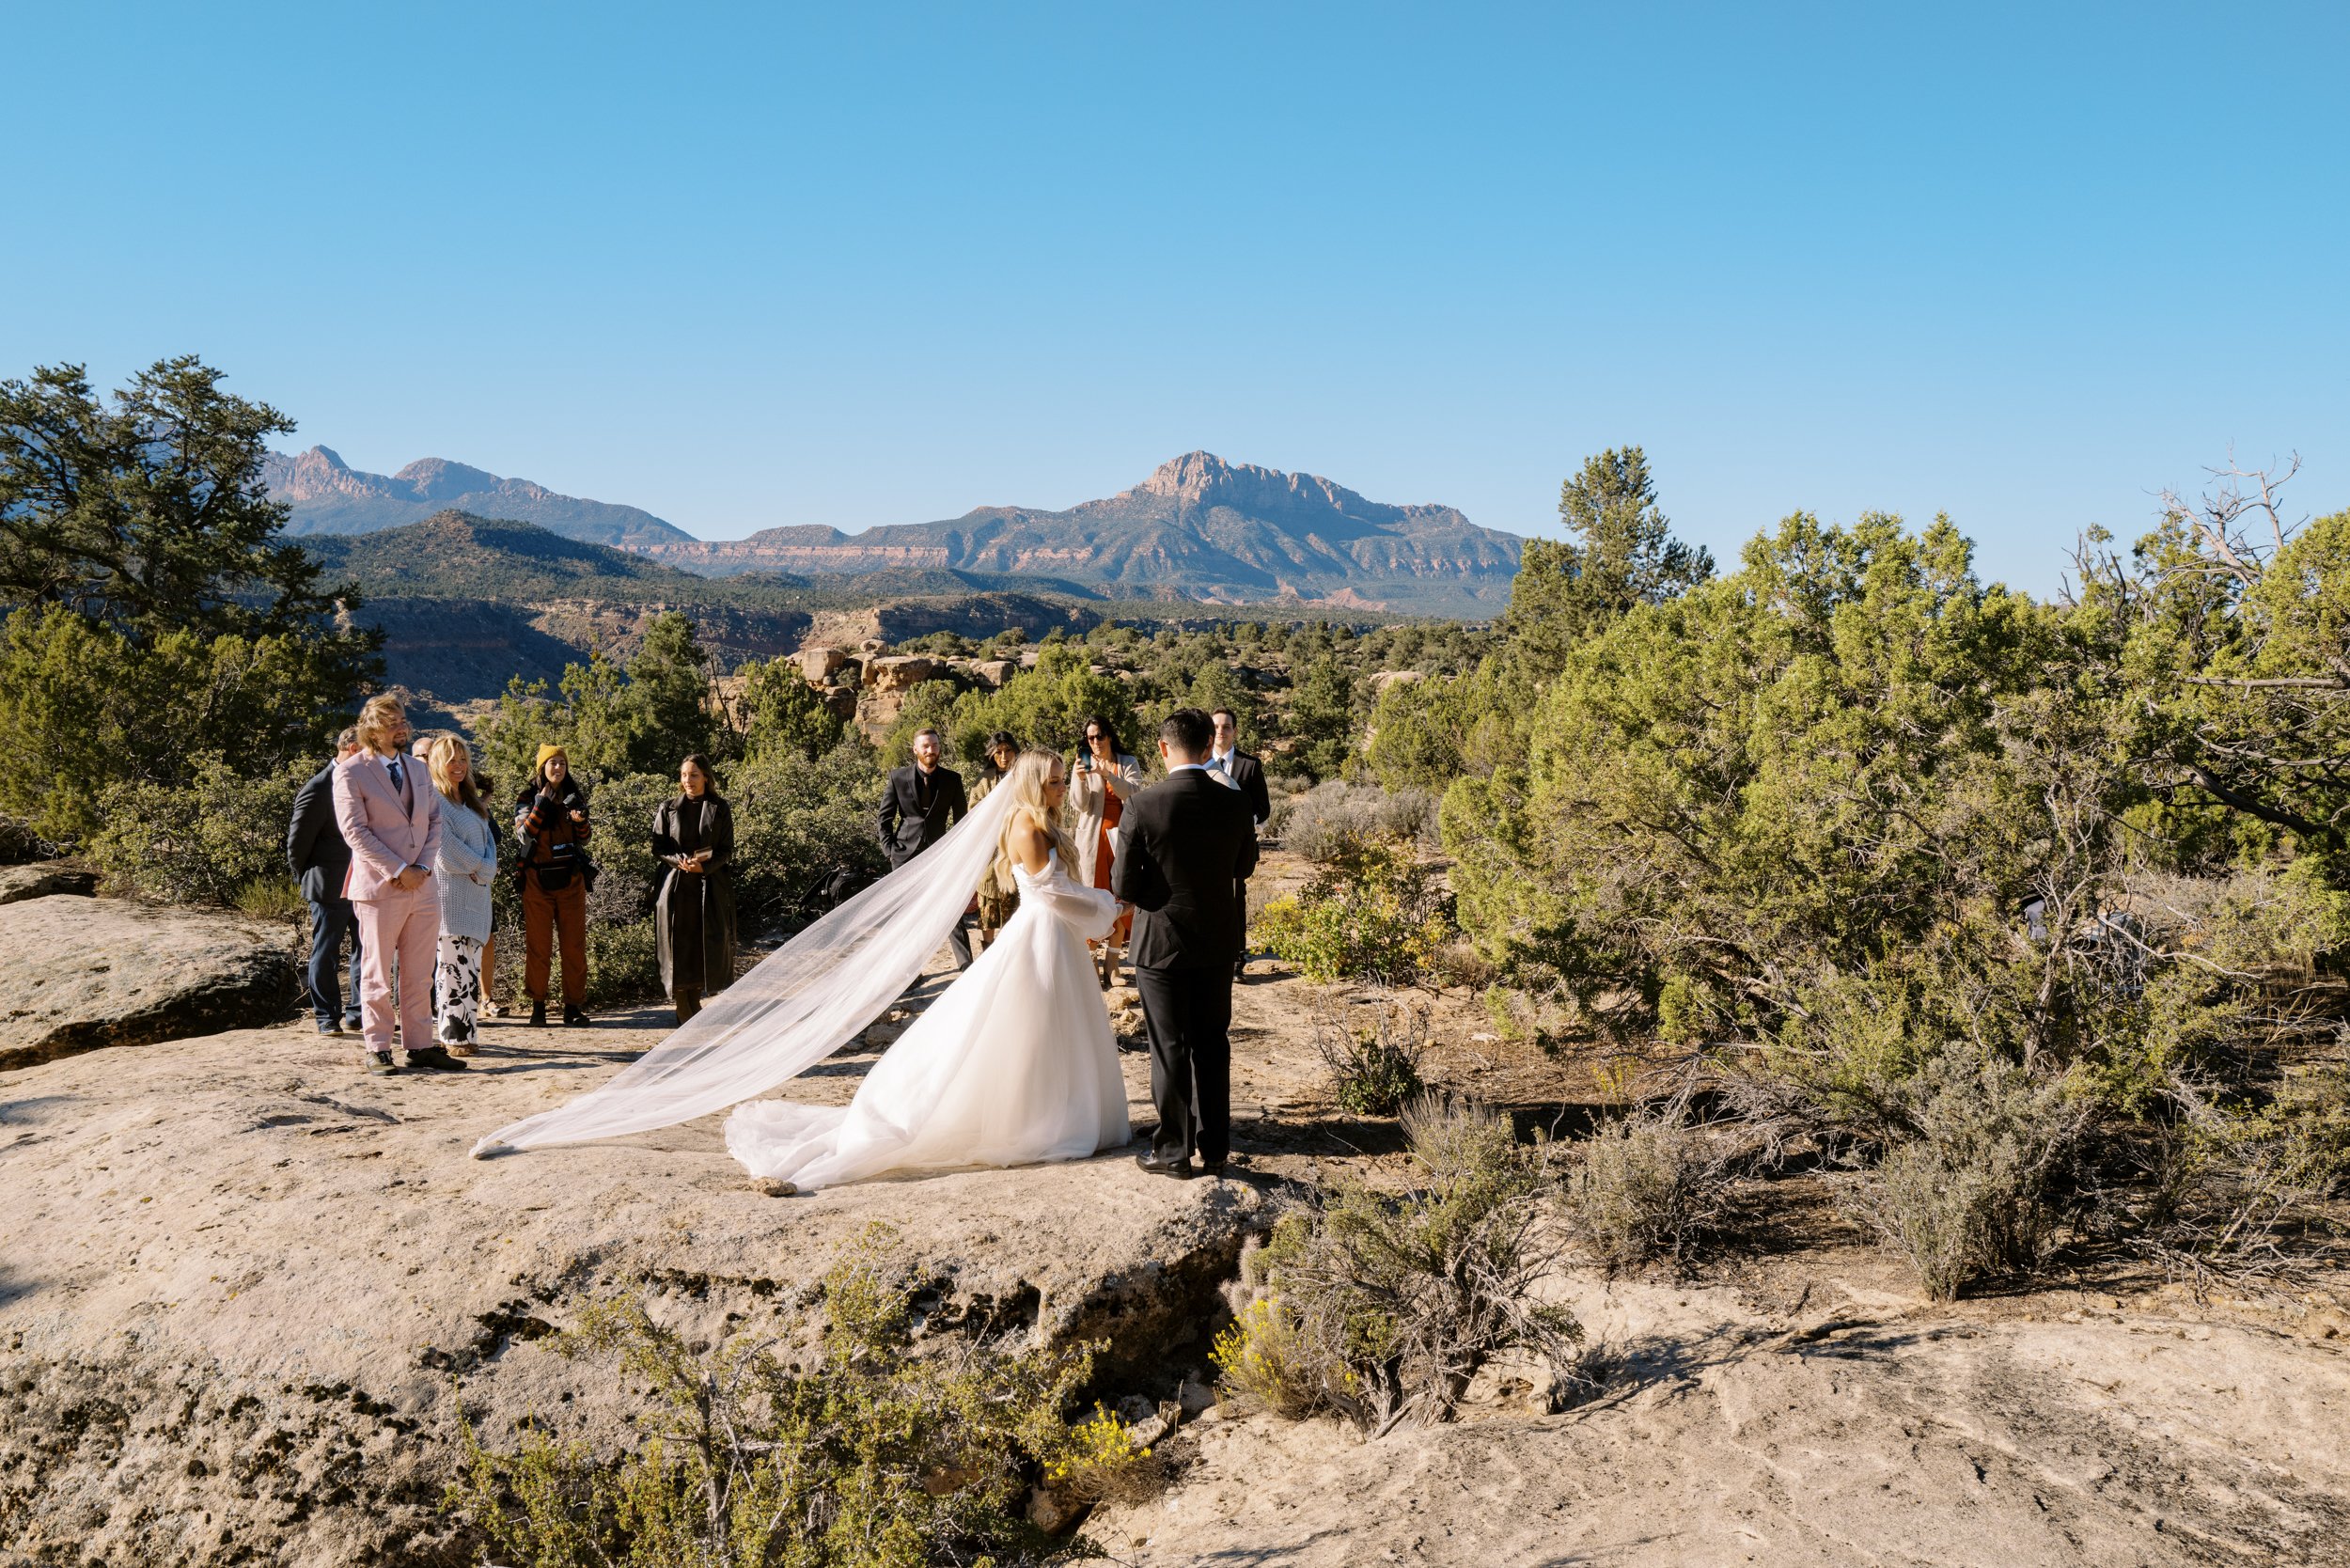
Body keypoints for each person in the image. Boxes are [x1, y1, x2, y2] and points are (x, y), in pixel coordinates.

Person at [720, 749, 1126, 1191]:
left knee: (1054, 1026)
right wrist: (1109, 909)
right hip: (1042, 932)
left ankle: (1058, 1110)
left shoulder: (1041, 820)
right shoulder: (1026, 825)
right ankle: (1039, 1119)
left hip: (1055, 934)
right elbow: (1052, 893)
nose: (1061, 788)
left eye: (1062, 779)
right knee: (1030, 1026)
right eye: (1053, 781)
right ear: (1030, 782)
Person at [1115, 708, 1260, 1179]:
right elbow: (1244, 868)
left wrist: (1161, 898)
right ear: (1206, 749)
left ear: (1163, 749)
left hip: (1161, 943)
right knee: (1213, 1045)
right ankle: (1216, 1149)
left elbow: (1123, 885)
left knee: (1170, 1046)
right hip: (1217, 940)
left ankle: (1173, 1151)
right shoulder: (1237, 804)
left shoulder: (1143, 805)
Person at [333, 695, 465, 1074]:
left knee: (419, 971)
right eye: (393, 722)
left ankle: (420, 1045)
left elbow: (434, 822)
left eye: (403, 720)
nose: (402, 727)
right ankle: (377, 1047)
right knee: (376, 972)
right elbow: (354, 831)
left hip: (423, 885)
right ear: (372, 729)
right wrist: (398, 869)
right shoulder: (351, 772)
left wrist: (422, 866)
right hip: (378, 888)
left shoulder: (419, 770)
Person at [286, 726, 366, 1036]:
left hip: (364, 883)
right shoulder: (318, 787)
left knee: (366, 950)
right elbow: (297, 843)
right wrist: (306, 877)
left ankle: (358, 1014)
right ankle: (326, 1018)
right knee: (326, 951)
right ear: (353, 748)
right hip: (327, 885)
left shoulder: (364, 782)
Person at [423, 735, 497, 1056]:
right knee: (452, 972)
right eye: (452, 760)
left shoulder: (471, 803)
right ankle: (452, 1039)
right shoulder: (436, 803)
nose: (458, 766)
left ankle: (467, 1036)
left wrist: (484, 869)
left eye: (463, 760)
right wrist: (482, 867)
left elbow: (490, 844)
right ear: (438, 764)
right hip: (451, 900)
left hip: (477, 898)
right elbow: (445, 853)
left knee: (470, 972)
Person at [653, 753, 737, 1025]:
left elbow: (726, 850)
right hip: (676, 886)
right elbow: (659, 847)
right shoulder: (668, 808)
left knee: (702, 943)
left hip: (708, 885)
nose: (688, 780)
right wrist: (680, 862)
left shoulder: (720, 808)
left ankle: (694, 1000)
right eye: (684, 775)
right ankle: (681, 1003)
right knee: (679, 943)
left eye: (694, 774)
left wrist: (705, 867)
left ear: (706, 777)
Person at [877, 727, 970, 965]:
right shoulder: (897, 778)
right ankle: (911, 971)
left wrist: (957, 854)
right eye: (926, 746)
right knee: (906, 916)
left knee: (952, 910)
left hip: (941, 855)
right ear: (915, 749)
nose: (931, 750)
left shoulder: (953, 779)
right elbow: (884, 818)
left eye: (935, 745)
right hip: (904, 856)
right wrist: (890, 851)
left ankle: (965, 965)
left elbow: (962, 821)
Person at [515, 744, 593, 1028]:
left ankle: (573, 1007)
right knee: (539, 946)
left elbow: (583, 838)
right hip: (537, 880)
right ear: (542, 767)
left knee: (574, 946)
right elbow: (524, 835)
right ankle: (539, 1006)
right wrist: (542, 805)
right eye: (552, 763)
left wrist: (581, 820)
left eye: (562, 762)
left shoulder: (574, 796)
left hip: (571, 880)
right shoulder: (526, 797)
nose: (558, 768)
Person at [1069, 713, 1143, 987]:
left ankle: (1113, 967)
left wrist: (1108, 774)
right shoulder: (1084, 762)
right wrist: (1078, 779)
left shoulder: (1127, 762)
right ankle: (1092, 965)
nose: (1096, 742)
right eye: (1091, 738)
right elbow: (1079, 804)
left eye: (1100, 735)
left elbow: (1133, 794)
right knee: (1092, 898)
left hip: (1121, 841)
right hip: (1091, 842)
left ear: (1109, 735)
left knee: (1120, 899)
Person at [1205, 706, 1272, 980]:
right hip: (1205, 848)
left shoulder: (1250, 765)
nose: (1221, 731)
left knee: (1235, 902)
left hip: (1237, 848)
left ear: (1235, 731)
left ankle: (1235, 961)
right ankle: (1208, 956)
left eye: (1226, 726)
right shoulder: (1200, 764)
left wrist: (1244, 826)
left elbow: (1263, 807)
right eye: (1217, 727)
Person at [968, 730, 1022, 951]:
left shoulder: (1023, 777)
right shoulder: (983, 780)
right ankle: (988, 951)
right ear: (991, 754)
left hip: (1017, 850)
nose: (1004, 756)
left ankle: (1010, 952)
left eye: (1008, 750)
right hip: (989, 853)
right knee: (988, 908)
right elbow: (973, 813)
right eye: (998, 752)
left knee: (1015, 906)